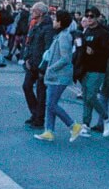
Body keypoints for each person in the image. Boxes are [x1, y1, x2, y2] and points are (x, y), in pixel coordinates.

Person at [35, 9, 83, 143]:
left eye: (56, 19)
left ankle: (73, 125)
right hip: (56, 75)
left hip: (59, 76)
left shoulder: (64, 37)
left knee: (51, 104)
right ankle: (49, 131)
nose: (53, 21)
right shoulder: (61, 35)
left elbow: (65, 58)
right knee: (50, 103)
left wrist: (50, 68)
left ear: (61, 22)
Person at [77, 7, 109, 133]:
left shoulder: (103, 33)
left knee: (91, 96)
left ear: (97, 17)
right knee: (86, 97)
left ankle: (106, 117)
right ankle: (86, 123)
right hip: (85, 68)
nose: (89, 18)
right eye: (87, 16)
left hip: (97, 69)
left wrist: (94, 52)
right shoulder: (87, 31)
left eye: (92, 16)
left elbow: (107, 52)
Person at [21, 2, 53, 129]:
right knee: (26, 86)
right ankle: (35, 112)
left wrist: (43, 68)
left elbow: (48, 49)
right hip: (32, 62)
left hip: (40, 64)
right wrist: (26, 58)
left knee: (41, 92)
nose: (31, 13)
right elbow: (29, 43)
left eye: (34, 11)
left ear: (40, 13)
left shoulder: (48, 28)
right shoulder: (35, 25)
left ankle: (39, 117)